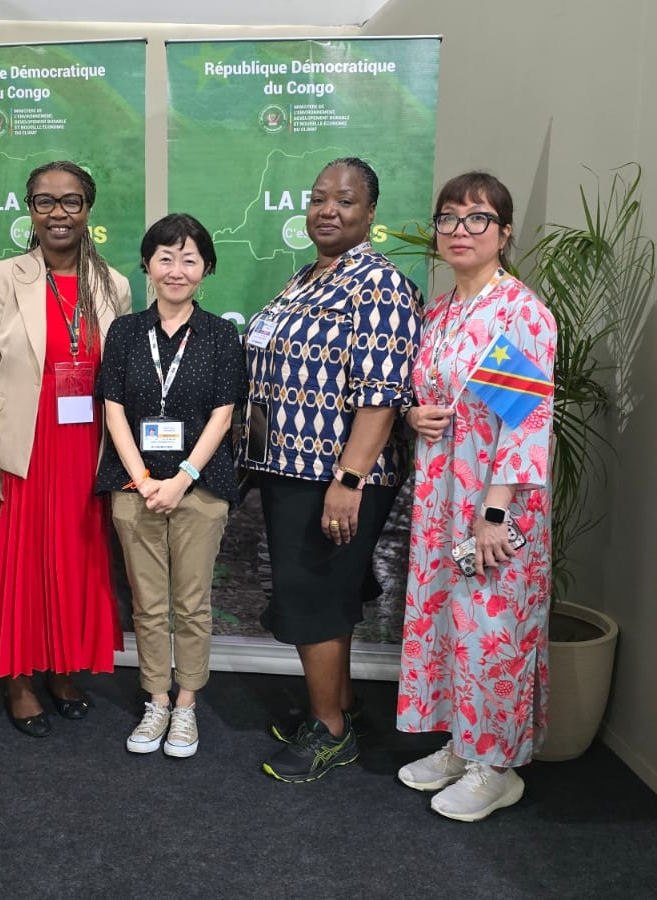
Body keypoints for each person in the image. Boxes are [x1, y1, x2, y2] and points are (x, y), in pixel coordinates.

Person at [242, 158, 420, 782]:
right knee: (322, 593)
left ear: (370, 213)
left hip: (334, 475)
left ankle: (332, 734)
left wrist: (348, 480)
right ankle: (337, 706)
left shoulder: (378, 284)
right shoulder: (308, 277)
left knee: (315, 596)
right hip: (289, 468)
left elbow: (380, 394)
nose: (327, 209)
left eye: (345, 200)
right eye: (319, 198)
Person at [395, 171, 556, 822]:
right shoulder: (442, 310)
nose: (461, 232)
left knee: (492, 629)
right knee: (448, 624)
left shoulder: (518, 312)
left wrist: (494, 514)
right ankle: (463, 746)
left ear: (505, 231)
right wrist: (414, 417)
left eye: (477, 219)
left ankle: (497, 766)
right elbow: (435, 394)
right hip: (440, 495)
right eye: (450, 219)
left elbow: (525, 422)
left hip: (494, 502)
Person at [0, 160, 131, 737]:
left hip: (85, 447)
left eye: (71, 201)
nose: (58, 213)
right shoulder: (3, 276)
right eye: (44, 202)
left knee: (73, 561)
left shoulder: (115, 285)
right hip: (20, 449)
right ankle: (18, 678)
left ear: (89, 208)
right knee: (19, 566)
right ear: (29, 210)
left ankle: (61, 667)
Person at [96, 214, 245, 757]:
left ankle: (186, 705)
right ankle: (155, 699)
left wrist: (182, 479)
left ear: (205, 268)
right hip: (133, 486)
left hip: (199, 489)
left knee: (192, 602)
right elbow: (113, 410)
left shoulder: (222, 334)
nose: (176, 269)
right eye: (165, 257)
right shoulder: (125, 332)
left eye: (189, 259)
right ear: (147, 265)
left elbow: (223, 416)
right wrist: (141, 479)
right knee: (148, 603)